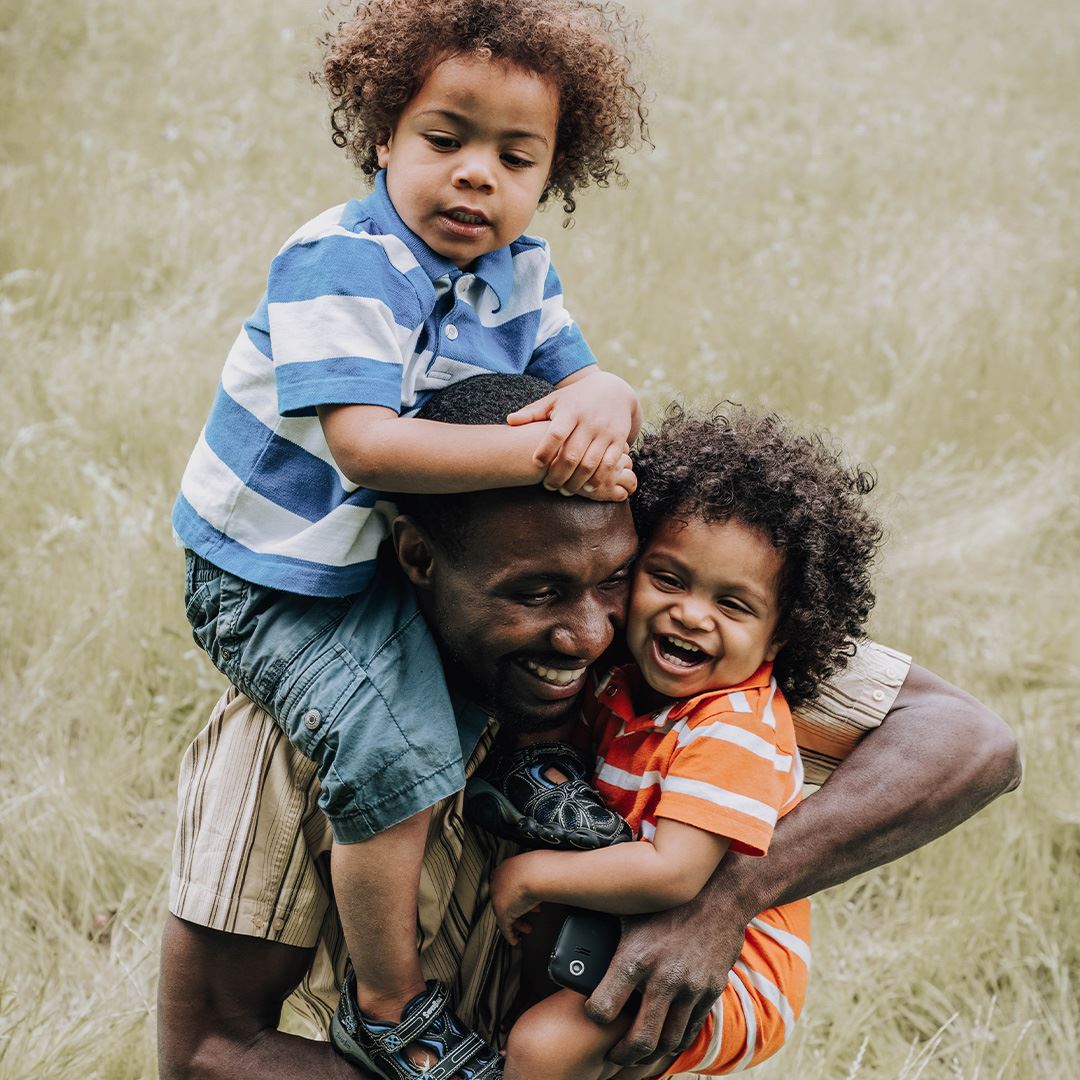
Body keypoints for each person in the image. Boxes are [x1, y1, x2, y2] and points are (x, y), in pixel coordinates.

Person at [158, 375, 1022, 1080]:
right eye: (535, 594)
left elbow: (970, 741)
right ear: (417, 559)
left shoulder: (677, 646)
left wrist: (721, 899)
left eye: (612, 579)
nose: (585, 635)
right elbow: (209, 1052)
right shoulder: (302, 731)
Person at [170, 1, 647, 1070]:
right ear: (383, 135)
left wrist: (607, 396)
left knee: (503, 622)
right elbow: (370, 447)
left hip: (377, 559)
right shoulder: (342, 259)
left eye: (516, 157)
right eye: (446, 139)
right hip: (274, 574)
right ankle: (388, 1005)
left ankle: (517, 765)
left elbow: (577, 379)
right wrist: (550, 453)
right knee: (395, 747)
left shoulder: (519, 270)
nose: (477, 175)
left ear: (552, 172)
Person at [493, 406, 882, 1078]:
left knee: (542, 1048)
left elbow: (672, 871)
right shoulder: (625, 680)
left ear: (781, 635)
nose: (691, 614)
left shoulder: (732, 726)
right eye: (668, 579)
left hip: (733, 972)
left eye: (733, 604)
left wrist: (528, 875)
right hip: (634, 919)